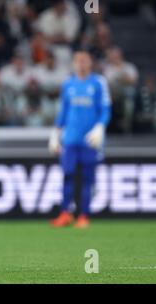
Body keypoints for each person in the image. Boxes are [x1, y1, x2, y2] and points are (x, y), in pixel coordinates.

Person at [48, 51, 111, 228]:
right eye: (78, 61)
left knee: (87, 178)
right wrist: (55, 134)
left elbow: (105, 109)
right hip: (70, 138)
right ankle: (65, 213)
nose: (81, 64)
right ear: (74, 64)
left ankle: (83, 215)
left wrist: (100, 127)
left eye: (85, 61)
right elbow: (63, 111)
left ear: (90, 63)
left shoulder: (98, 83)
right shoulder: (68, 84)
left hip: (90, 140)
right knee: (67, 176)